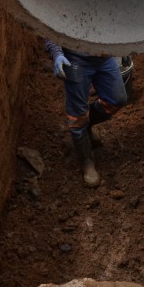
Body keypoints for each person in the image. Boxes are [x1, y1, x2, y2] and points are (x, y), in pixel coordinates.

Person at [45, 40, 129, 187]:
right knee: (77, 116)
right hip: (76, 60)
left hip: (103, 55)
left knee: (117, 99)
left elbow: (115, 20)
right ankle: (87, 162)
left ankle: (87, 124)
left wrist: (123, 46)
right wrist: (57, 53)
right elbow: (51, 24)